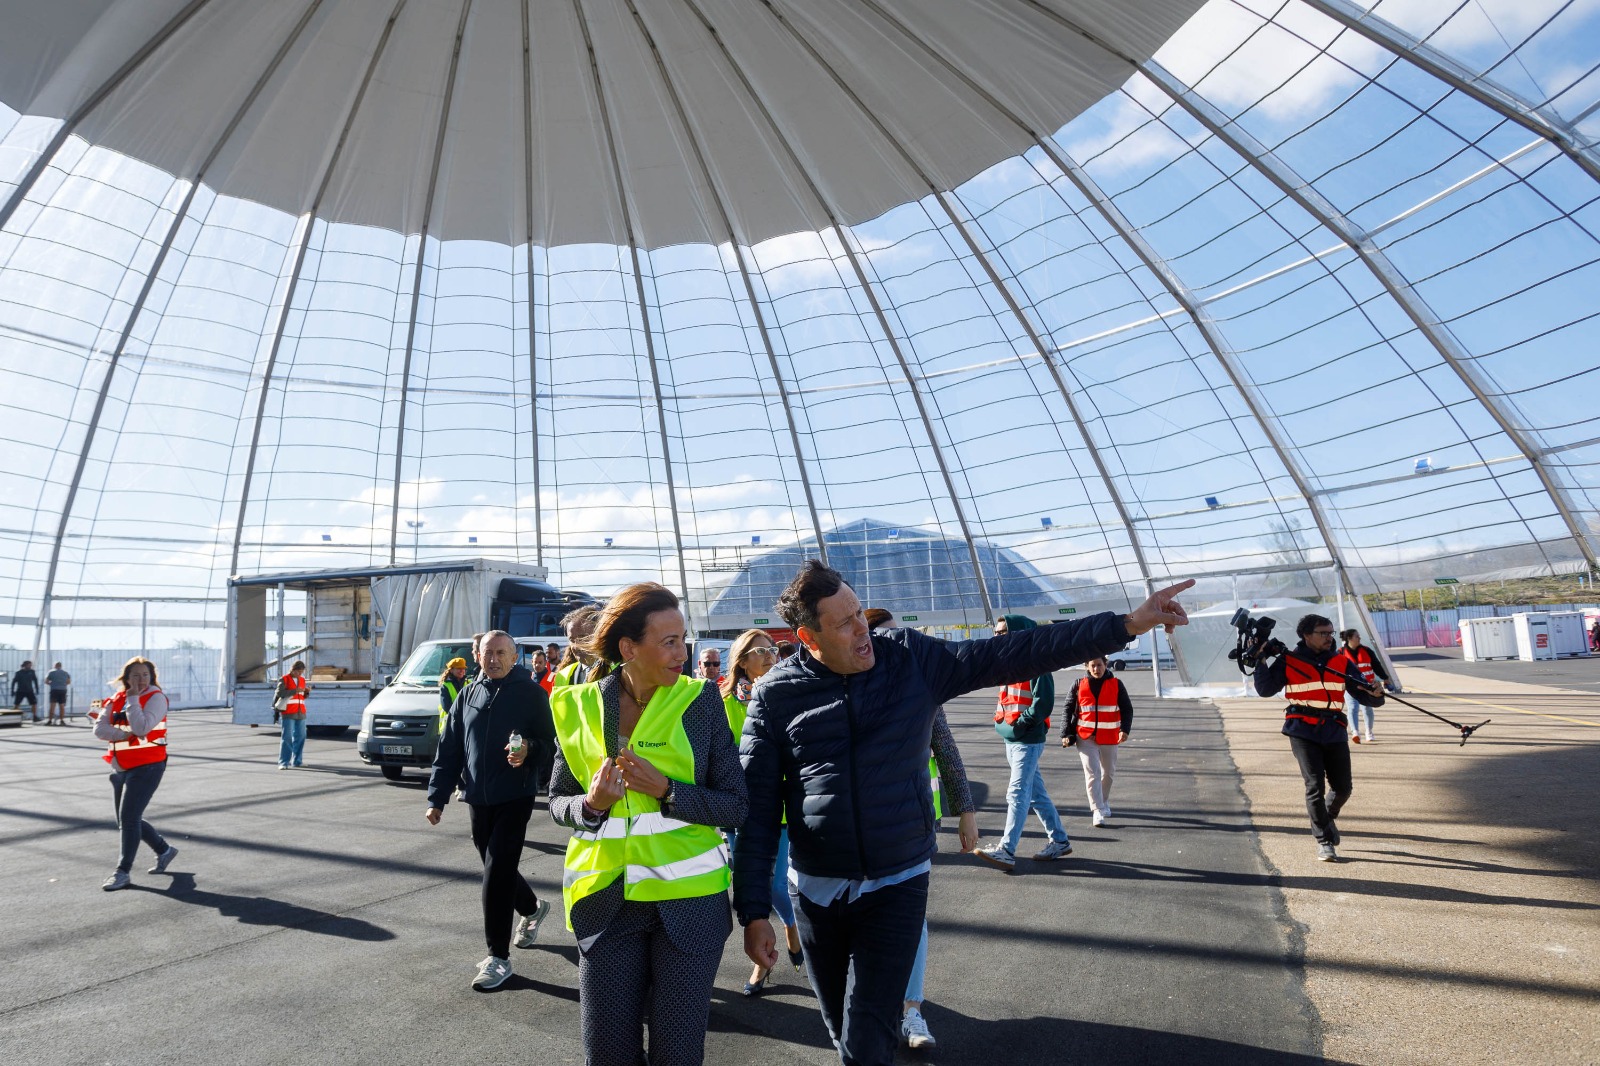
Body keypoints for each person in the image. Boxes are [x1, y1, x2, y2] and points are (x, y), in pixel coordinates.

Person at [736, 560, 1191, 1066]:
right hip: (816, 889)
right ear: (808, 637)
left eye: (860, 612)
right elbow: (756, 812)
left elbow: (1014, 652)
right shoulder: (776, 694)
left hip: (896, 880)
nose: (862, 628)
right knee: (841, 1029)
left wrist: (1126, 625)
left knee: (866, 1038)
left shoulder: (910, 659)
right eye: (844, 623)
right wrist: (753, 911)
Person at [547, 583, 747, 1066]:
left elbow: (736, 805)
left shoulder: (700, 701)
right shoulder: (579, 705)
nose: (683, 654)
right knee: (607, 1054)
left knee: (677, 1054)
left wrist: (669, 791)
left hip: (689, 905)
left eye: (683, 640)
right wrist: (590, 806)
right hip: (607, 904)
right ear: (629, 648)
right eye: (669, 642)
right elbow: (557, 800)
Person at [863, 608, 979, 1051]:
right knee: (862, 919)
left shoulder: (920, 686)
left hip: (914, 824)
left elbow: (945, 748)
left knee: (911, 914)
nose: (900, 644)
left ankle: (911, 1010)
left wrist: (965, 809)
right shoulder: (841, 690)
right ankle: (873, 1004)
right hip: (856, 831)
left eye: (902, 635)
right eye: (889, 636)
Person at [425, 631, 556, 990]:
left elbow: (551, 744)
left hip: (515, 796)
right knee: (496, 867)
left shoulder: (531, 694)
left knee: (496, 873)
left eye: (501, 653)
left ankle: (498, 958)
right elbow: (450, 748)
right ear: (478, 656)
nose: (494, 659)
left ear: (514, 657)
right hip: (476, 798)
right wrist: (436, 798)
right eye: (488, 653)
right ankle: (532, 908)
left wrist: (530, 749)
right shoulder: (468, 694)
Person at [1254, 615, 1384, 862]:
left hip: (1334, 729)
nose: (1329, 637)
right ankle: (1324, 841)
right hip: (1302, 730)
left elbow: (1365, 695)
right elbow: (1266, 690)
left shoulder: (1341, 662)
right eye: (1323, 633)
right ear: (1306, 635)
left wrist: (1376, 694)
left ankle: (1326, 818)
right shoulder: (1289, 660)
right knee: (1314, 785)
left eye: (1331, 632)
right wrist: (1260, 660)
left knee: (1343, 788)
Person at [719, 628, 803, 997]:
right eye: (760, 651)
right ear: (741, 661)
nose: (770, 656)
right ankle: (765, 957)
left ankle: (790, 930)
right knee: (749, 885)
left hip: (779, 808)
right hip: (738, 809)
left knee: (775, 885)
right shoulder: (723, 704)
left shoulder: (789, 695)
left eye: (772, 649)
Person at [975, 614, 1073, 871]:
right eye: (996, 632)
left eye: (1002, 632)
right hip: (1013, 738)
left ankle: (1007, 850)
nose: (997, 636)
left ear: (1018, 633)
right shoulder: (1009, 662)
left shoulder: (1036, 663)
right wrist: (1005, 725)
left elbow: (1043, 703)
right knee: (1036, 794)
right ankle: (1060, 841)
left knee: (1017, 793)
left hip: (1026, 740)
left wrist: (1021, 724)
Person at [93, 657, 179, 890]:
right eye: (135, 675)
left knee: (129, 819)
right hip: (121, 767)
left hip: (148, 766)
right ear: (126, 678)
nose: (141, 679)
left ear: (152, 677)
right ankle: (164, 850)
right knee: (128, 819)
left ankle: (122, 872)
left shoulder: (155, 698)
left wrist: (133, 700)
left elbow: (142, 728)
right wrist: (124, 735)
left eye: (145, 675)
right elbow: (99, 729)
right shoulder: (116, 698)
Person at [1062, 656, 1132, 827]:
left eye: (1099, 665)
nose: (1096, 669)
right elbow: (1068, 709)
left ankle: (1103, 800)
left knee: (1108, 773)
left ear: (1105, 665)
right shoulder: (1078, 684)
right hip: (1085, 737)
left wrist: (1124, 729)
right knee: (1092, 774)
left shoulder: (1116, 684)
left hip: (1110, 736)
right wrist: (1065, 733)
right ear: (1087, 666)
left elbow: (1127, 709)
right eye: (1092, 666)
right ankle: (1097, 810)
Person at [1338, 630, 1393, 743]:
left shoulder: (1367, 651)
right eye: (1357, 636)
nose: (1359, 638)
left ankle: (1369, 731)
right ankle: (1355, 732)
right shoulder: (1340, 653)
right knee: (1352, 708)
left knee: (1367, 708)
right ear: (1349, 638)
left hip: (1368, 686)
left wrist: (1385, 677)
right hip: (1351, 687)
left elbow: (1376, 665)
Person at [553, 605, 602, 688]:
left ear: (600, 634)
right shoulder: (563, 676)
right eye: (572, 640)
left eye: (582, 638)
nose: (576, 646)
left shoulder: (619, 672)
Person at [274, 660, 310, 769]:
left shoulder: (302, 680)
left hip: (301, 712)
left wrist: (306, 692)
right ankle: (283, 763)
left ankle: (297, 761)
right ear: (293, 670)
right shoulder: (284, 679)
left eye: (302, 672)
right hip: (288, 712)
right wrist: (295, 691)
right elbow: (279, 693)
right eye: (298, 671)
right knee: (287, 738)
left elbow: (301, 696)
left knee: (301, 737)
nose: (300, 674)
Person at [438, 656, 469, 738]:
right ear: (451, 670)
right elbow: (446, 706)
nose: (462, 671)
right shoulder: (445, 685)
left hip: (465, 725)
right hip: (449, 726)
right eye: (459, 668)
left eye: (463, 668)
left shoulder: (469, 683)